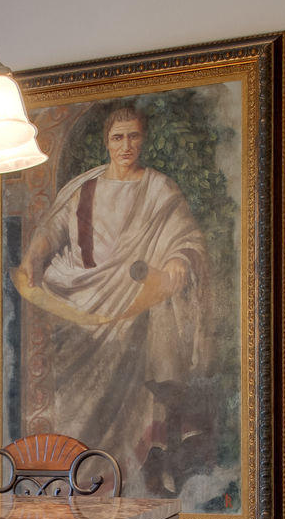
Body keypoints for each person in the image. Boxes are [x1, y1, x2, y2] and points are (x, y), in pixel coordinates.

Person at [17, 105, 208, 488]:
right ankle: (78, 481)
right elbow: (53, 230)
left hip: (137, 310)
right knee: (76, 408)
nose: (126, 145)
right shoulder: (85, 188)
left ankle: (138, 478)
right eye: (118, 137)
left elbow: (185, 239)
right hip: (81, 310)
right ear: (107, 141)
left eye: (133, 136)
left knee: (140, 393)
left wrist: (175, 266)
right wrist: (33, 258)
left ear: (143, 138)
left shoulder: (159, 188)